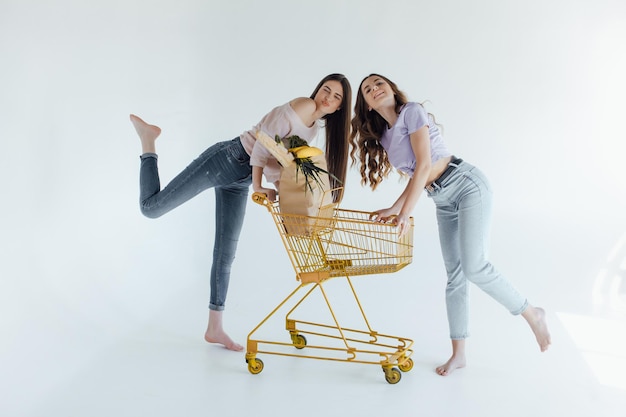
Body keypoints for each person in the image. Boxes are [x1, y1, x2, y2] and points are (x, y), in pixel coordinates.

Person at [130, 73, 352, 351]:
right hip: (227, 159)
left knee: (226, 253)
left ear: (339, 108)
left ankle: (215, 328)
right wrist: (259, 185)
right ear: (318, 89)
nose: (327, 97)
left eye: (336, 97)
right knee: (151, 209)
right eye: (326, 89)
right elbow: (263, 141)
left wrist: (276, 193)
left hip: (240, 179)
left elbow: (282, 164)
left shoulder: (312, 130)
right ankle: (148, 141)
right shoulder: (304, 105)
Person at [349, 73, 550, 375]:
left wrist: (404, 213)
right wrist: (395, 207)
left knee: (475, 266)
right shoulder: (387, 136)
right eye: (367, 89)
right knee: (455, 277)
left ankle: (531, 312)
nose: (375, 89)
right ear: (365, 104)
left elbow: (426, 164)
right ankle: (459, 354)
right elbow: (418, 175)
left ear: (391, 88)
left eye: (379, 83)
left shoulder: (411, 111)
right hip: (441, 199)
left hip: (466, 184)